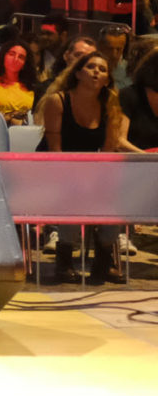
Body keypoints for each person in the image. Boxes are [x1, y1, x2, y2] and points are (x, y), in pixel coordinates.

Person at [38, 52, 132, 281]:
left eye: (102, 69)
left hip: (91, 170)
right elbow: (55, 151)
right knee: (72, 194)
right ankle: (64, 262)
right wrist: (79, 179)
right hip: (55, 168)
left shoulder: (110, 105)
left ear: (108, 79)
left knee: (118, 200)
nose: (97, 72)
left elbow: (109, 153)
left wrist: (100, 182)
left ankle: (103, 262)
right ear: (78, 73)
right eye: (91, 67)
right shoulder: (58, 100)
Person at [0, 42, 37, 126]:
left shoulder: (31, 86)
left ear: (24, 64)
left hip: (26, 129)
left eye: (21, 57)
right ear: (3, 57)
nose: (15, 59)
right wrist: (11, 118)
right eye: (12, 54)